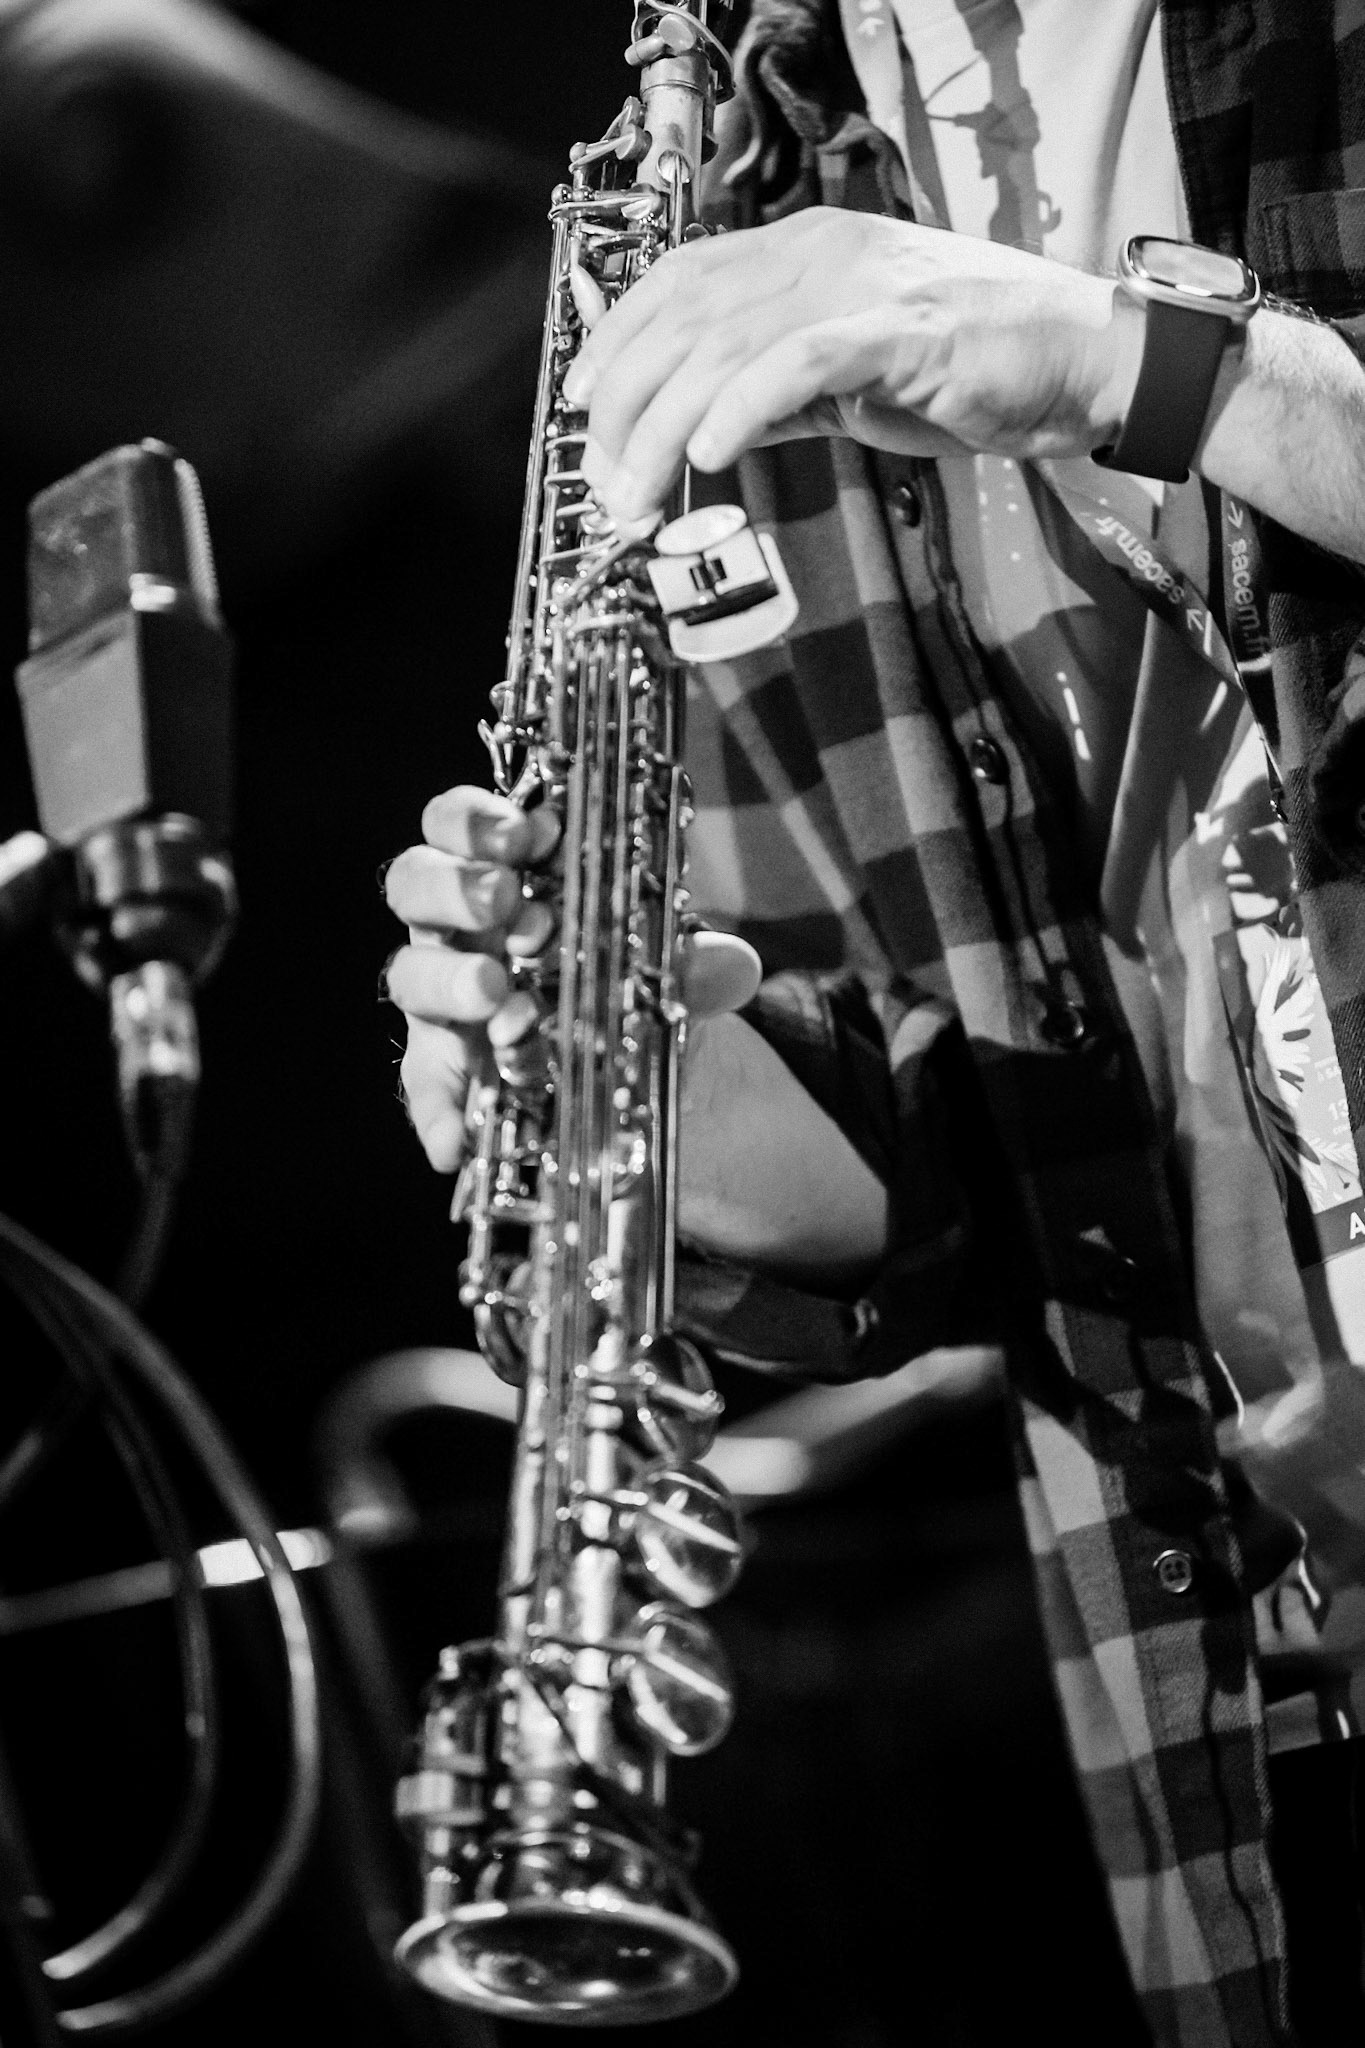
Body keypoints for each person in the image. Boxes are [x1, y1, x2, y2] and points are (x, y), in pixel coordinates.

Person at [382, 2, 1365, 2041]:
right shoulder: (740, 181)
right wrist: (647, 1099)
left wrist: (1133, 363)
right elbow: (1004, 1143)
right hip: (1258, 1720)